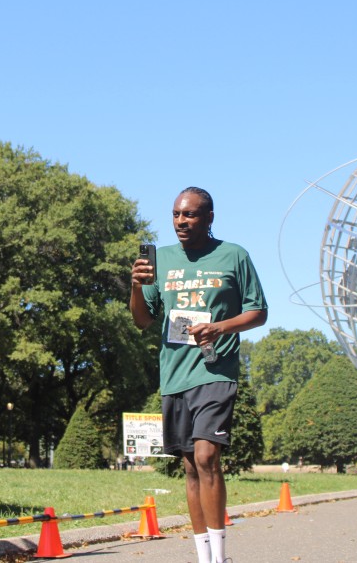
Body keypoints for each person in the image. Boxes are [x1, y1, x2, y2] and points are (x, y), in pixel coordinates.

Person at [130, 187, 267, 563]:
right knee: (191, 467)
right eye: (176, 214)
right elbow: (142, 320)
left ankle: (220, 557)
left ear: (209, 218)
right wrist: (136, 286)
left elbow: (259, 312)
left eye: (189, 215)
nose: (180, 221)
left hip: (215, 370)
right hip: (175, 374)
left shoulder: (234, 255)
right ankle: (204, 556)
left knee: (206, 457)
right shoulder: (162, 259)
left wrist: (219, 328)